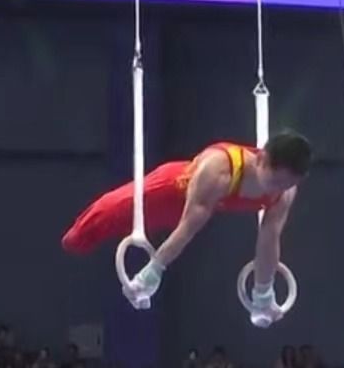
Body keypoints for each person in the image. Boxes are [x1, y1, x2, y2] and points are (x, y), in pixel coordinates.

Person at [61, 133, 313, 316]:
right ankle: (75, 236)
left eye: (288, 184)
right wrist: (152, 271)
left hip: (195, 212)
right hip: (168, 192)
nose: (279, 189)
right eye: (276, 181)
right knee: (88, 229)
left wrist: (263, 293)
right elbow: (189, 227)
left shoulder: (285, 192)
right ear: (262, 159)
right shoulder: (220, 169)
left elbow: (269, 239)